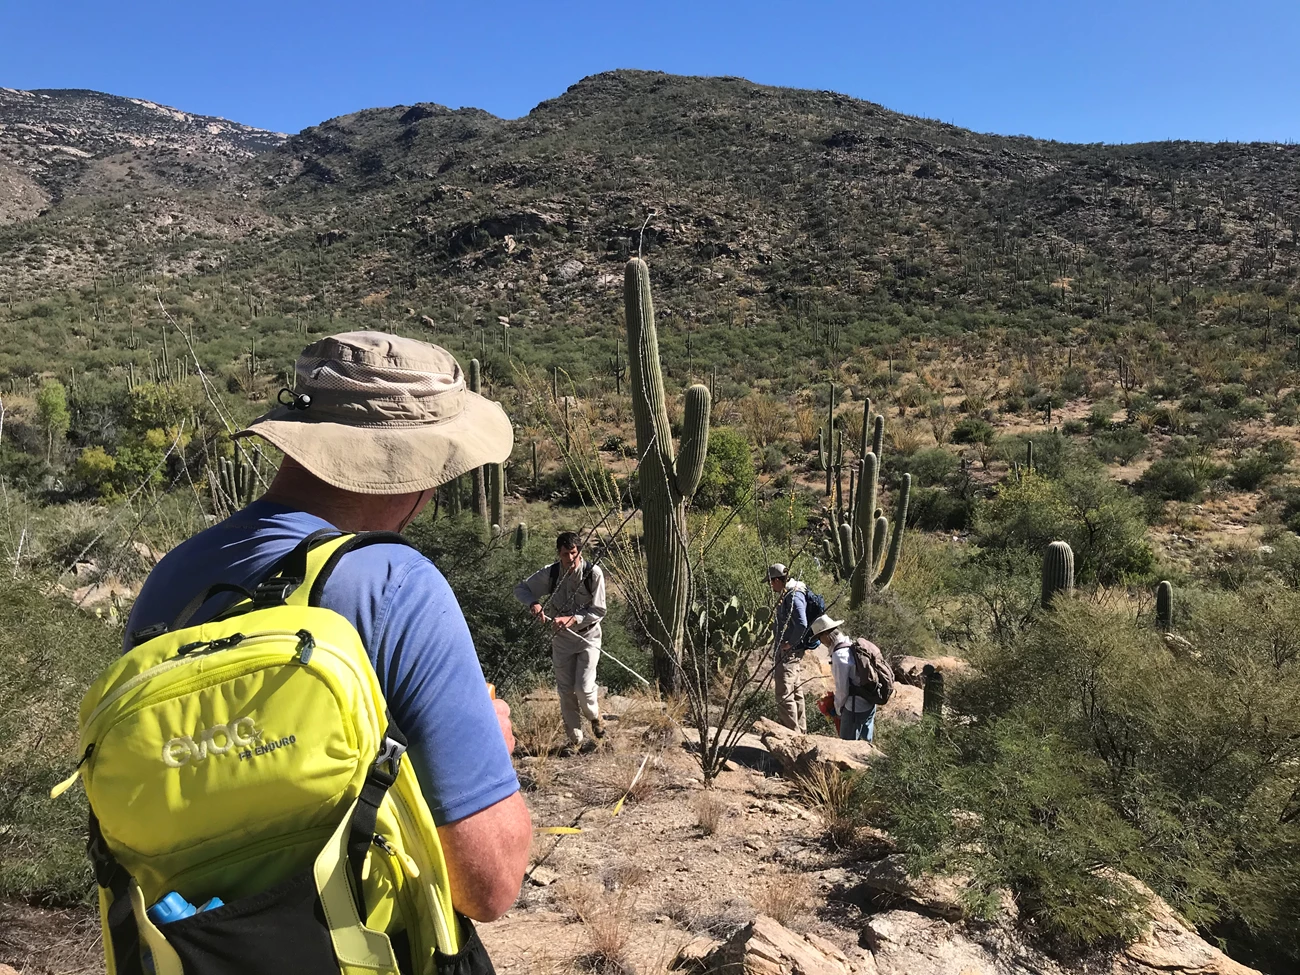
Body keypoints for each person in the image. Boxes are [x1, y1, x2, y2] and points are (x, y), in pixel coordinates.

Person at [125, 332, 532, 926]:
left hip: (190, 948)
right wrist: (485, 745)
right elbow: (489, 882)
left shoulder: (170, 580)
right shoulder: (395, 585)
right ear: (418, 469)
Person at [514, 531, 607, 754]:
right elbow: (521, 589)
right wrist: (533, 604)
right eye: (566, 554)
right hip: (562, 639)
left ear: (580, 552)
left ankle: (595, 718)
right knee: (565, 691)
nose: (570, 559)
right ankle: (575, 741)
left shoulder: (592, 573)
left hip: (588, 636)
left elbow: (599, 610)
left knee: (583, 688)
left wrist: (574, 618)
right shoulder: (551, 573)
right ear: (559, 554)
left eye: (574, 553)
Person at [810, 614, 878, 742]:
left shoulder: (839, 656)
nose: (820, 641)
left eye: (819, 637)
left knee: (848, 747)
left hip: (854, 708)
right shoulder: (850, 643)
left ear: (826, 635)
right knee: (866, 745)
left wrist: (837, 710)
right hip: (869, 701)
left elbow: (842, 689)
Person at [767, 563, 811, 732]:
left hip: (789, 654)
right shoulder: (791, 593)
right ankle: (801, 733)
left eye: (772, 582)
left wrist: (789, 644)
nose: (771, 586)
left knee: (784, 695)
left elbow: (801, 623)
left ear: (778, 580)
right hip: (792, 653)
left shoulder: (793, 595)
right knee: (795, 692)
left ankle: (792, 735)